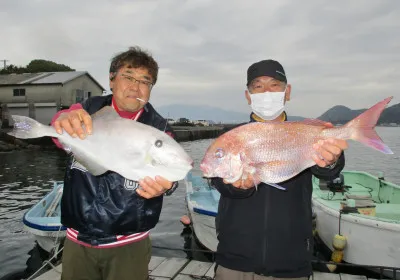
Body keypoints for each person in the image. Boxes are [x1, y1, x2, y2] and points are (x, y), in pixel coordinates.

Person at [210, 59, 349, 279]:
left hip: (291, 261)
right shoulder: (233, 137)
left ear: (288, 91)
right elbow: (220, 183)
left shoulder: (304, 132)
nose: (266, 91)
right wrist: (240, 186)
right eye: (258, 86)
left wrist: (331, 159)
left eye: (274, 85)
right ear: (248, 96)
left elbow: (328, 171)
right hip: (234, 260)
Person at [51, 46, 179, 280]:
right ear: (111, 80)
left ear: (150, 89)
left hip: (129, 243)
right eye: (127, 77)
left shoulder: (159, 130)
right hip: (77, 239)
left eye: (144, 81)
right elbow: (60, 132)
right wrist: (62, 119)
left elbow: (173, 173)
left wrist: (167, 186)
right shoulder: (87, 109)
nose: (135, 87)